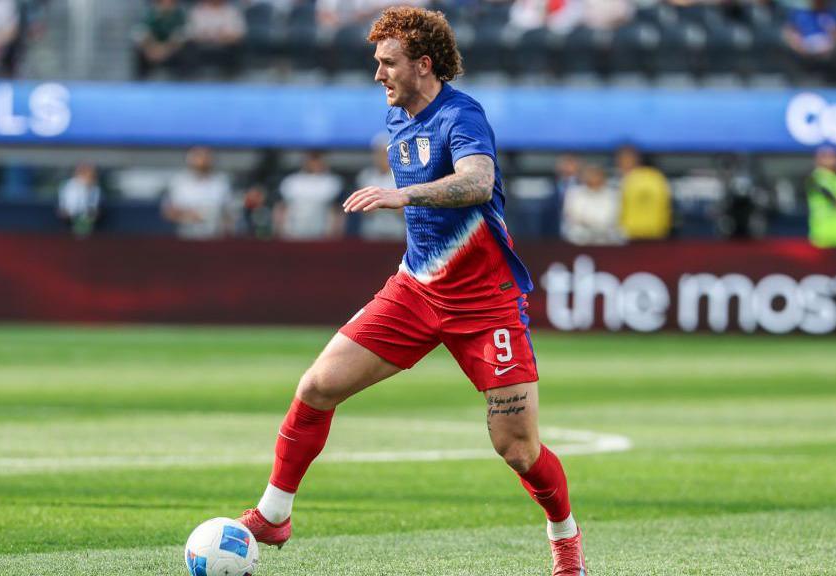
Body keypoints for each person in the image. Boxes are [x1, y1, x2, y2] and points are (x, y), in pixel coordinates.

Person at [237, 7, 587, 576]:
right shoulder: (398, 120)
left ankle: (565, 537)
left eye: (387, 62)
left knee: (518, 450)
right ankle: (275, 513)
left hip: (486, 304)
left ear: (423, 64)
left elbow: (479, 183)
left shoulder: (462, 115)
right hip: (416, 290)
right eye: (376, 62)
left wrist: (405, 196)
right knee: (317, 386)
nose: (378, 74)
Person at [162, 147, 234, 239]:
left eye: (206, 156)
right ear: (190, 159)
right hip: (185, 237)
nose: (203, 160)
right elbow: (167, 212)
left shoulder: (221, 182)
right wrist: (189, 216)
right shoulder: (178, 182)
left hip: (214, 238)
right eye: (198, 156)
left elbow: (230, 213)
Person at [272, 151, 344, 240]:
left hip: (321, 236)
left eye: (318, 158)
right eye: (312, 158)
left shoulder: (332, 182)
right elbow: (281, 208)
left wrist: (335, 234)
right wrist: (279, 232)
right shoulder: (291, 181)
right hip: (292, 235)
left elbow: (337, 211)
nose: (315, 163)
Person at [355, 135, 406, 240]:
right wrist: (391, 204)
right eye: (378, 153)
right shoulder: (365, 176)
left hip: (397, 234)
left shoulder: (403, 177)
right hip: (371, 234)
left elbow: (403, 210)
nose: (382, 157)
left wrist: (377, 204)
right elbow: (364, 209)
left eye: (385, 153)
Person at [616, 145, 672, 240]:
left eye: (623, 160)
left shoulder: (632, 179)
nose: (620, 163)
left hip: (640, 233)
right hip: (654, 231)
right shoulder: (657, 176)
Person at [562, 163, 623, 245]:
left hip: (606, 236)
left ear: (602, 176)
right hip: (581, 236)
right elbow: (574, 216)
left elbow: (610, 217)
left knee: (619, 234)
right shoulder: (574, 193)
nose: (593, 177)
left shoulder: (613, 194)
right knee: (574, 232)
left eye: (596, 174)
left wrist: (596, 225)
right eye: (590, 174)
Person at [132, 0, 187, 78]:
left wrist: (165, 50)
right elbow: (140, 33)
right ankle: (141, 81)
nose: (166, 5)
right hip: (152, 50)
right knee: (139, 52)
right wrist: (151, 49)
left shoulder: (179, 16)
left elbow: (181, 35)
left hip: (172, 51)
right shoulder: (149, 15)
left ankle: (182, 81)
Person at [57, 163, 101, 237]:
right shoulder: (69, 186)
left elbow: (93, 209)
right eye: (85, 172)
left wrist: (90, 215)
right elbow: (65, 209)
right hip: (67, 222)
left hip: (88, 223)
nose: (89, 175)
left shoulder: (95, 189)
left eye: (90, 173)